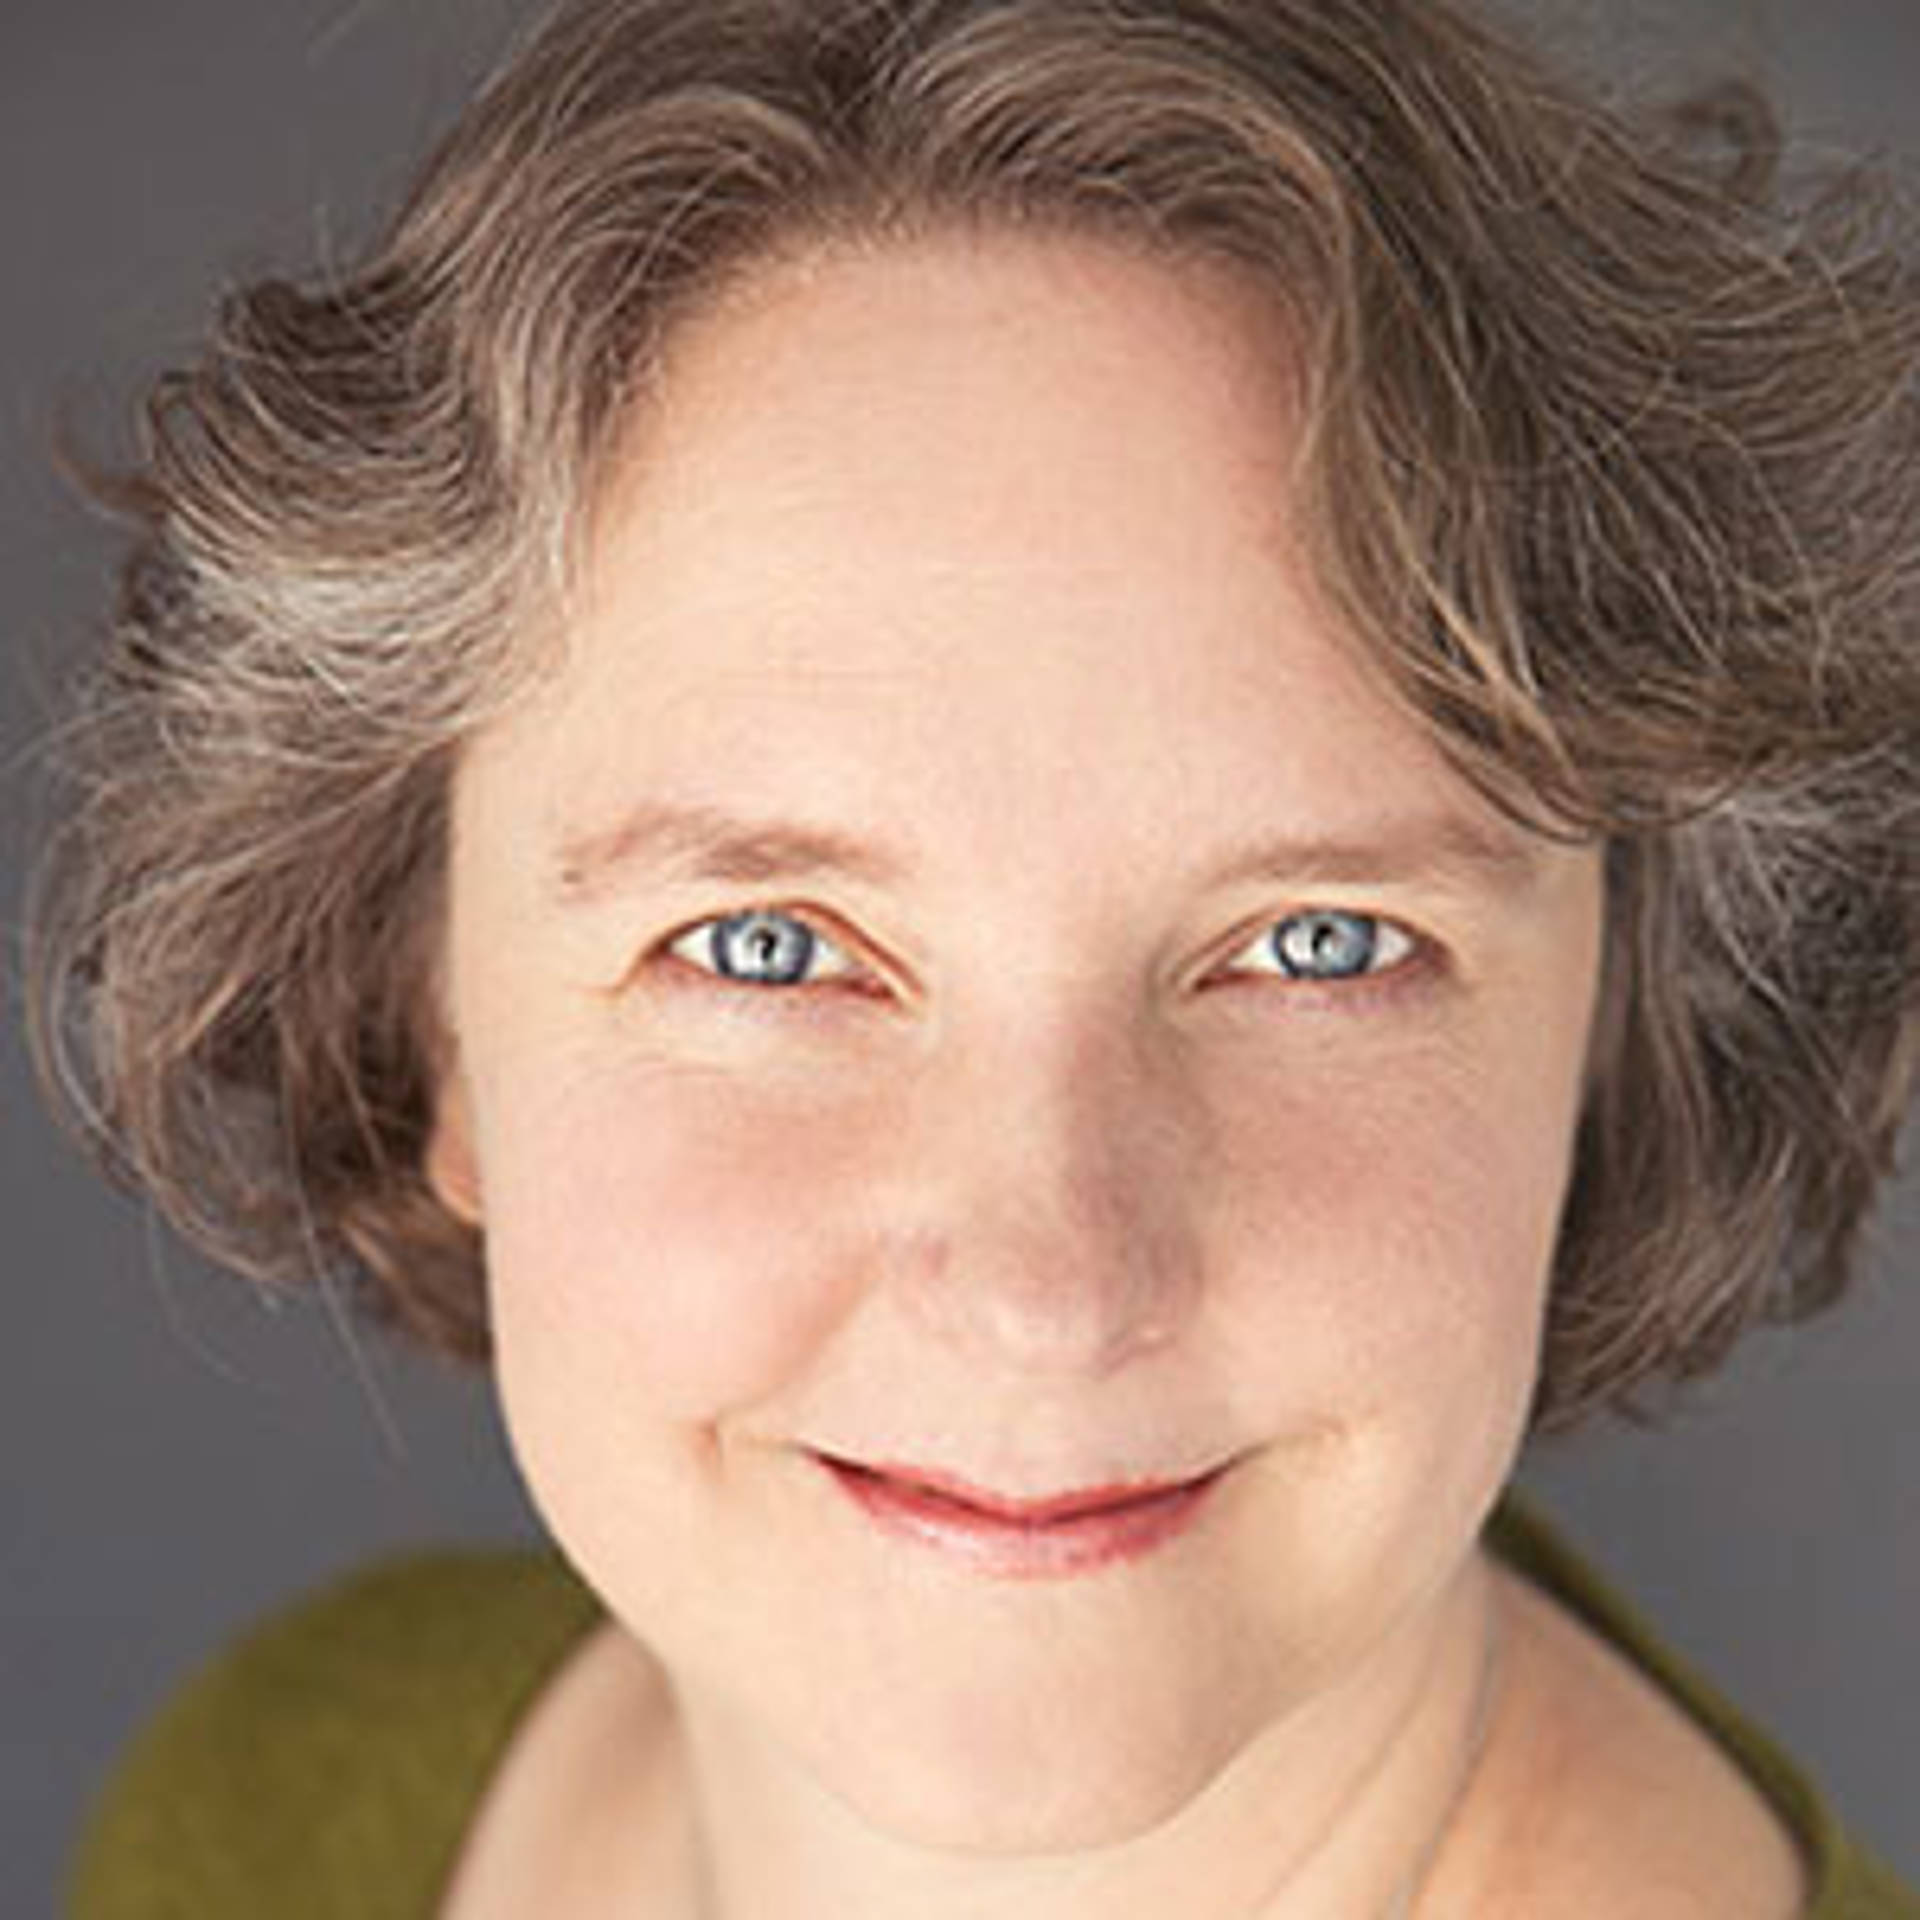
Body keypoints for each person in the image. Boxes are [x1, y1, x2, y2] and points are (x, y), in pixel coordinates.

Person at [27, 0, 1919, 1913]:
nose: (1048, 1289)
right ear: (432, 1028)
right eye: (763, 946)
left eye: (1322, 942)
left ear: (1620, 1016)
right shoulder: (270, 1809)